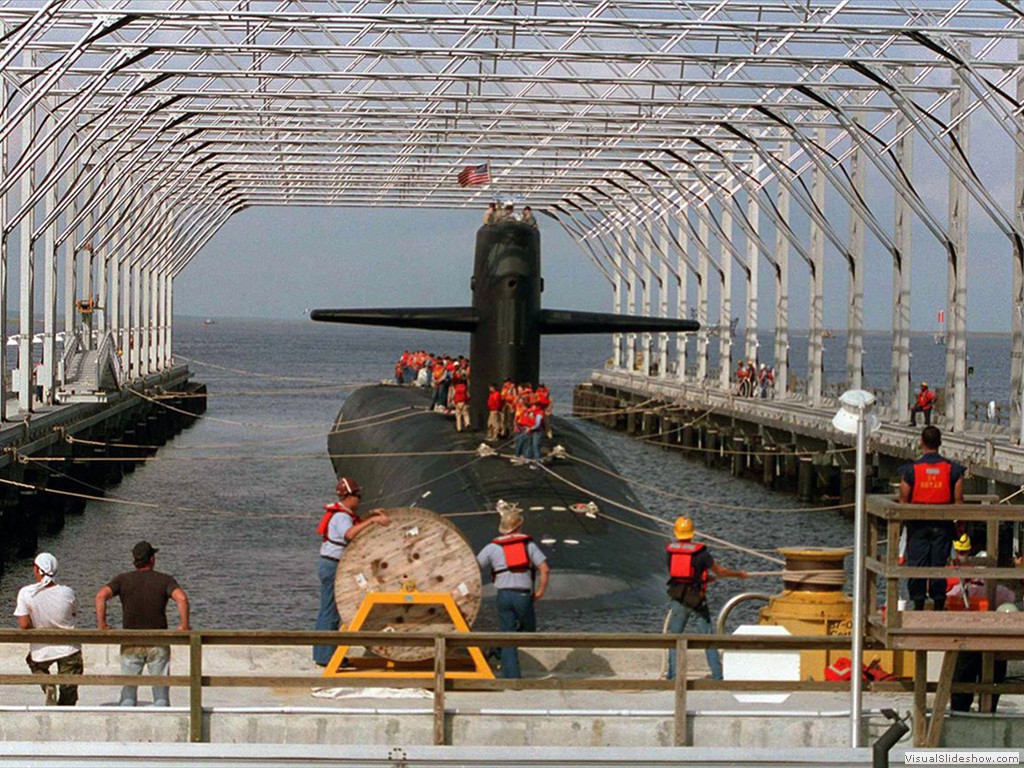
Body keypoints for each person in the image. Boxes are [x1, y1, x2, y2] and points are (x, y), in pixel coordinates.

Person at [95, 541, 190, 707]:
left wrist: (102, 625)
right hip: (158, 641)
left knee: (128, 695)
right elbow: (181, 598)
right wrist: (184, 626)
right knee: (160, 696)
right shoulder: (164, 580)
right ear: (152, 559)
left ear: (135, 560)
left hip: (131, 641)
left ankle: (126, 725)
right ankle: (161, 727)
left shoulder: (123, 579)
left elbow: (100, 596)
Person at [312, 477, 390, 667]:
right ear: (349, 497)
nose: (360, 499)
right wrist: (373, 521)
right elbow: (350, 534)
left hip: (331, 565)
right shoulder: (341, 517)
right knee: (329, 612)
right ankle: (325, 657)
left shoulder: (343, 515)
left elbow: (353, 526)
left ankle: (325, 654)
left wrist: (370, 516)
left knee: (330, 611)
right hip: (332, 566)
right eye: (358, 495)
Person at [664, 516, 747, 681]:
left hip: (678, 598)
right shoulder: (701, 553)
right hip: (696, 600)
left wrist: (703, 577)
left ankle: (672, 676)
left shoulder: (670, 551)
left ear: (676, 533)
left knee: (674, 637)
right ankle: (717, 676)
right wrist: (739, 574)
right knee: (707, 637)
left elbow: (680, 574)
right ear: (692, 534)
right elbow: (720, 571)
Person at [475, 502, 550, 679]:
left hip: (503, 595)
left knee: (507, 633)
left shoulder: (492, 547)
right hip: (523, 595)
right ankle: (511, 674)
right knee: (528, 630)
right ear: (519, 526)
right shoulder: (528, 545)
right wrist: (540, 592)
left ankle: (502, 656)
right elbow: (545, 569)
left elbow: (475, 566)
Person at [897, 426, 964, 611]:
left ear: (921, 443)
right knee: (939, 567)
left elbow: (903, 499)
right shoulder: (953, 470)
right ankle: (938, 605)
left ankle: (918, 605)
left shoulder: (911, 470)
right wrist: (960, 527)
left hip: (917, 526)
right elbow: (959, 501)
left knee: (917, 566)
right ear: (940, 443)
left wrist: (902, 525)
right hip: (943, 526)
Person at [14, 553, 83, 706]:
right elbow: (74, 612)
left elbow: (24, 624)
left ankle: (47, 684)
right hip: (69, 648)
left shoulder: (26, 593)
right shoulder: (67, 592)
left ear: (37, 570)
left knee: (33, 663)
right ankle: (64, 716)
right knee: (68, 691)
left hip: (42, 649)